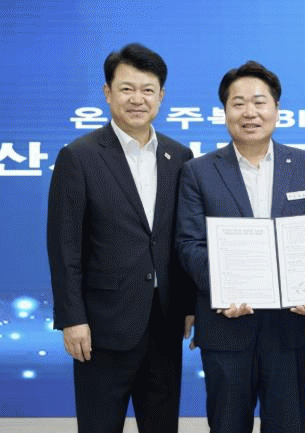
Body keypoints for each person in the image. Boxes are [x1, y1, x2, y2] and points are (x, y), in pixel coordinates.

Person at [175, 61, 305, 433]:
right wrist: (225, 288)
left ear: (277, 109)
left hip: (292, 326)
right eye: (238, 103)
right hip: (226, 326)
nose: (250, 113)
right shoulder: (199, 171)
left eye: (260, 102)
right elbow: (189, 245)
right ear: (225, 111)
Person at [46, 43, 195, 433]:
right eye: (127, 89)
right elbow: (64, 247)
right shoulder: (79, 156)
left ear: (161, 96)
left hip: (165, 321)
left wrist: (189, 304)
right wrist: (72, 319)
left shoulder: (179, 156)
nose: (137, 99)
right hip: (102, 326)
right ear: (107, 92)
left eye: (148, 90)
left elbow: (183, 239)